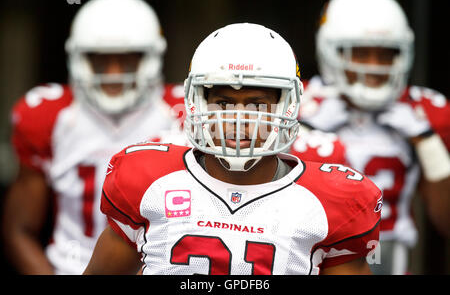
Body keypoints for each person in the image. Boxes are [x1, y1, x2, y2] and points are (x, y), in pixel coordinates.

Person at [84, 23, 382, 275]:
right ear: (195, 102)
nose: (238, 119)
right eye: (224, 103)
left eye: (256, 104)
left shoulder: (329, 201)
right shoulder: (148, 180)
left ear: (288, 105)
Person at [2, 0, 184, 275]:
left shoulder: (182, 116)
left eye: (127, 60)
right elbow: (20, 229)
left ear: (151, 58)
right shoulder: (49, 116)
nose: (113, 73)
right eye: (100, 60)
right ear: (77, 58)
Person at [299, 0, 450, 274]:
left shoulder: (423, 111)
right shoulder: (295, 104)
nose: (374, 67)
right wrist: (302, 133)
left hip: (393, 260)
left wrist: (427, 142)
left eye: (385, 55)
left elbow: (446, 223)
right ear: (329, 50)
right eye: (360, 53)